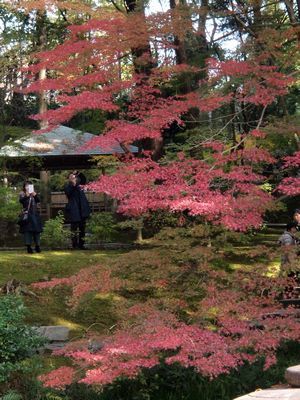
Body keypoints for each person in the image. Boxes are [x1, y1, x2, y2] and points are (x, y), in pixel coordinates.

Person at [64, 171, 91, 250]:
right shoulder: (67, 186)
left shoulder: (80, 185)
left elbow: (83, 178)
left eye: (74, 177)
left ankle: (81, 245)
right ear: (69, 178)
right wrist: (73, 184)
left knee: (82, 229)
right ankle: (74, 245)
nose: (73, 178)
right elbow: (68, 193)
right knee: (74, 229)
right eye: (71, 177)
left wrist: (78, 172)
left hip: (82, 209)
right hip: (74, 210)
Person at [19, 181, 43, 254]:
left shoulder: (33, 193)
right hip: (27, 215)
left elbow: (38, 201)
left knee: (37, 231)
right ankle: (29, 247)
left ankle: (37, 246)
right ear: (24, 186)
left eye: (29, 185)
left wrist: (35, 195)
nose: (28, 187)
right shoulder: (22, 193)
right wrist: (27, 195)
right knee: (27, 231)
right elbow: (21, 201)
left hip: (35, 214)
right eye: (26, 185)